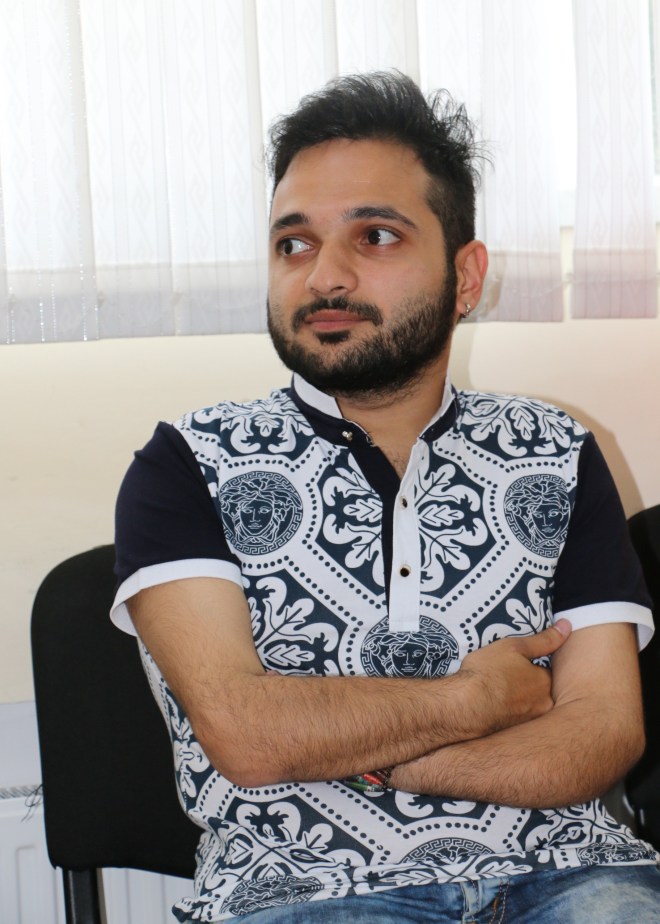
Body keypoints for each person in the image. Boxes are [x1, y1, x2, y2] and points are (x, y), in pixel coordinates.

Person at [111, 72, 659, 922]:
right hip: (302, 888)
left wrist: (360, 751)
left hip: (573, 871)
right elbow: (248, 735)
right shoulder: (189, 463)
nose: (324, 276)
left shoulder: (554, 451)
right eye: (294, 244)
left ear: (466, 276)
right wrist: (475, 702)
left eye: (375, 236)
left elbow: (604, 731)